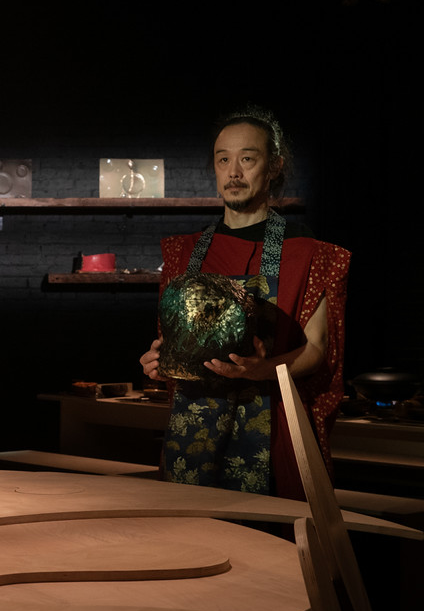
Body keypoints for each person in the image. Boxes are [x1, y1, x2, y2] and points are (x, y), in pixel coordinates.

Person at [139, 107, 350, 500]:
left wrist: (262, 369)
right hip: (194, 425)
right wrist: (159, 360)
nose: (233, 172)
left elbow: (317, 349)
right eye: (223, 160)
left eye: (247, 159)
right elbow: (174, 342)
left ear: (274, 166)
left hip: (271, 426)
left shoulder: (307, 252)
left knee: (264, 542)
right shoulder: (183, 253)